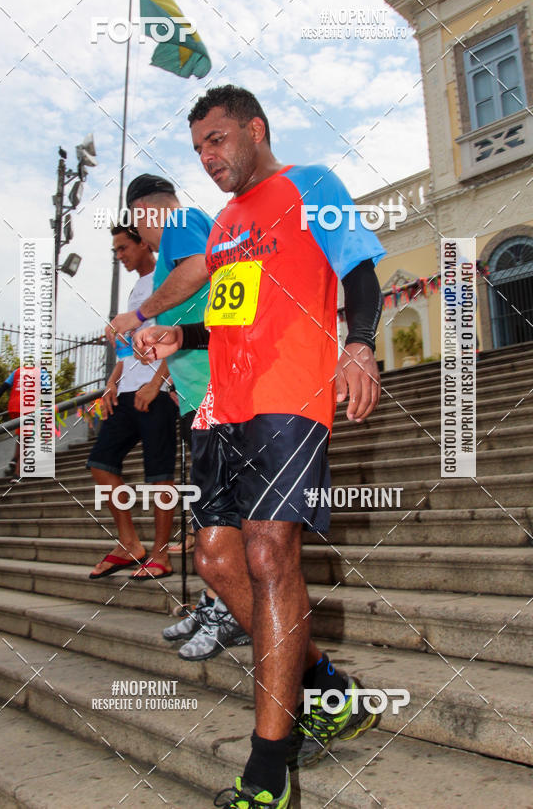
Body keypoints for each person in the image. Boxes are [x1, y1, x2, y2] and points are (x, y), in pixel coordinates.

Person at [135, 85, 386, 808]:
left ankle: (269, 773)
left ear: (255, 129)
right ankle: (329, 690)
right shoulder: (220, 230)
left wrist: (360, 347)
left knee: (270, 553)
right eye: (197, 150)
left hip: (290, 396)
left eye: (217, 141)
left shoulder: (312, 185)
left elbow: (360, 275)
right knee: (217, 559)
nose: (208, 159)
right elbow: (229, 321)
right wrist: (179, 335)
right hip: (221, 404)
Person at [108, 176, 250, 658]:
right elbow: (195, 318)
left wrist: (140, 314)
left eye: (138, 231)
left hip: (221, 389)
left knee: (222, 507)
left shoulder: (181, 222)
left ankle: (236, 608)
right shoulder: (184, 231)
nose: (145, 245)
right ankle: (217, 601)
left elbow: (197, 266)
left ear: (145, 210)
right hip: (200, 392)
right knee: (213, 504)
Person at [87, 224, 177, 580]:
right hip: (126, 393)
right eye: (116, 250)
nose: (119, 255)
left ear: (143, 243)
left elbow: (180, 333)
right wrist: (111, 383)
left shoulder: (168, 279)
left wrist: (158, 382)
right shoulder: (136, 291)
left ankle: (161, 554)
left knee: (160, 476)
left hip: (157, 394)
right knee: (101, 463)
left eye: (123, 248)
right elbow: (126, 348)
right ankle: (129, 544)